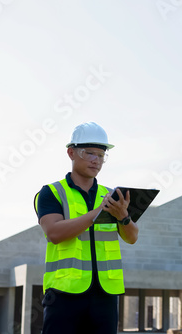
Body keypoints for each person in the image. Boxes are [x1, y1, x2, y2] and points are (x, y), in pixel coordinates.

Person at [34, 121, 138, 334]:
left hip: (105, 295)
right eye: (89, 153)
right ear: (71, 153)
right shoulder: (51, 192)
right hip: (63, 294)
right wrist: (98, 212)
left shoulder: (112, 196)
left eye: (101, 156)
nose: (96, 160)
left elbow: (132, 237)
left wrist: (123, 216)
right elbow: (54, 233)